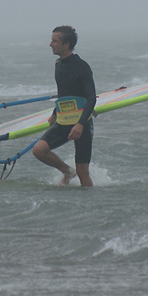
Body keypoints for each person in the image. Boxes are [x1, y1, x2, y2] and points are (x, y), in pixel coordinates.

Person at [33, 26, 96, 187]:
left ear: (66, 44)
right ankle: (68, 171)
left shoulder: (81, 66)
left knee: (83, 172)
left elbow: (91, 98)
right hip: (63, 120)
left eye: (54, 41)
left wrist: (80, 125)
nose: (50, 44)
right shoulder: (59, 65)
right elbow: (64, 93)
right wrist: (55, 113)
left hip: (81, 122)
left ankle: (89, 204)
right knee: (39, 150)